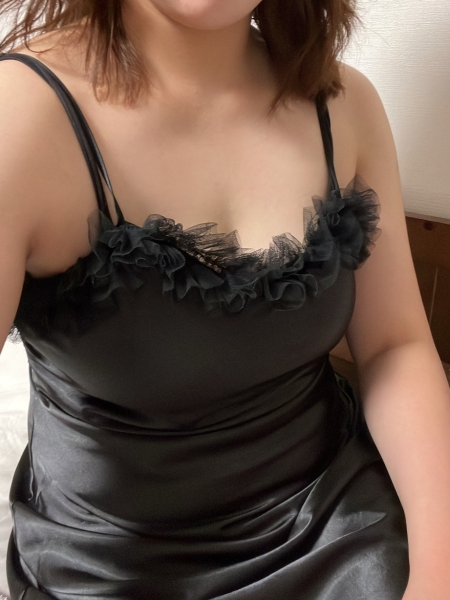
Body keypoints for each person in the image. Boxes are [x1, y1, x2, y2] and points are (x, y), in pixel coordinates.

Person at [0, 1, 449, 598]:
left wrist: (438, 572)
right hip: (108, 564)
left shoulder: (343, 104)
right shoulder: (20, 115)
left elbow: (395, 346)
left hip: (337, 526)